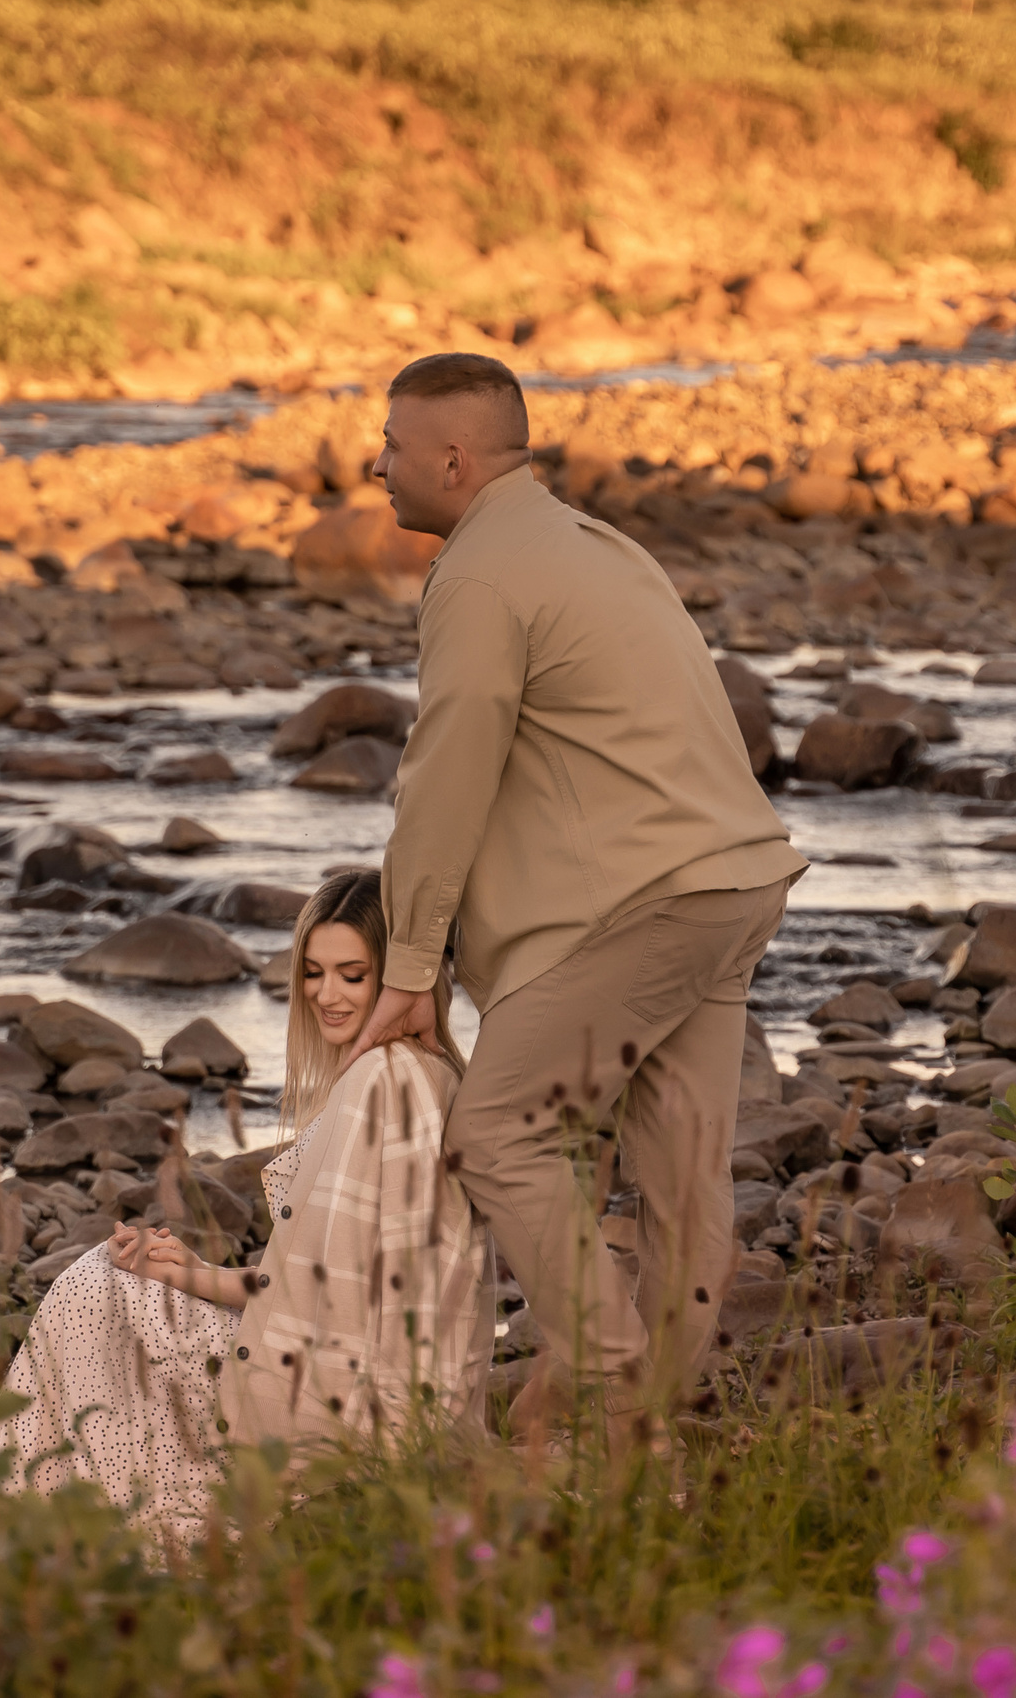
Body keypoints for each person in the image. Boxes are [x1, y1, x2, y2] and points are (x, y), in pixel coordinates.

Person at [345, 351, 809, 1428]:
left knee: (494, 1132)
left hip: (640, 905)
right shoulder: (600, 547)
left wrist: (412, 966)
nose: (377, 466)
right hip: (735, 881)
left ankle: (599, 1374)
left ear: (452, 460)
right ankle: (640, 1441)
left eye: (392, 445)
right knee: (684, 1185)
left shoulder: (476, 573)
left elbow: (446, 772)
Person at [0, 870, 491, 1535]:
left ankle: (9, 1518)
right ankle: (41, 1508)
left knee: (93, 1293)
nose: (327, 995)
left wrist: (366, 1463)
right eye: (315, 971)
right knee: (120, 1279)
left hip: (344, 1420)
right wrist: (189, 1273)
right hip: (353, 1392)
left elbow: (387, 1308)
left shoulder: (382, 1084)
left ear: (399, 978)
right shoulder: (427, 1071)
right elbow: (330, 1283)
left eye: (353, 975)